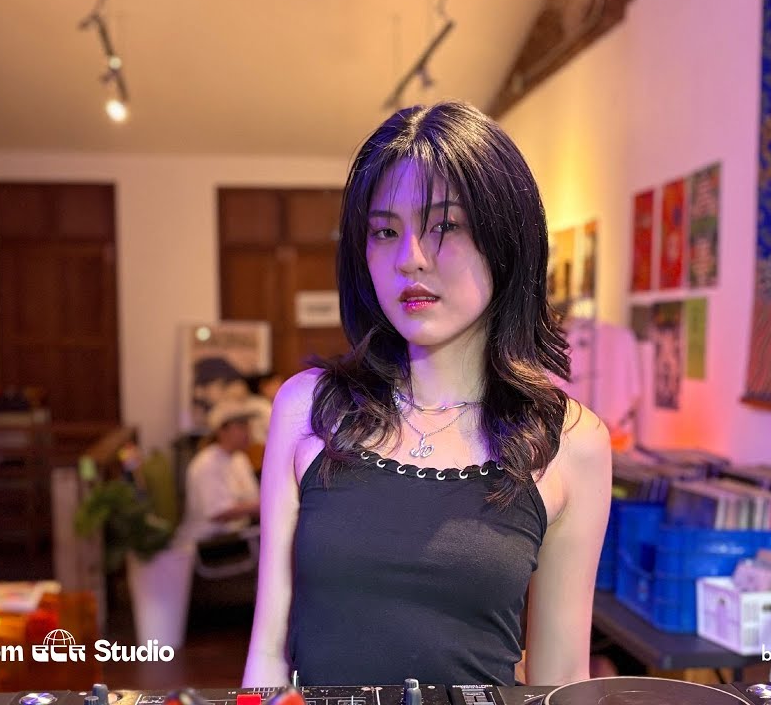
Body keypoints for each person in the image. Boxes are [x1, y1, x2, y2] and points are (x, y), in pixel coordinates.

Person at [242, 101, 612, 688]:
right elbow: (267, 654)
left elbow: (561, 680)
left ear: (506, 238)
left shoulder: (572, 441)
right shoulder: (307, 409)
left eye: (446, 226)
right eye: (385, 231)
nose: (410, 258)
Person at [176, 400, 262, 547]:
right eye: (241, 426)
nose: (248, 432)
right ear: (222, 431)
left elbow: (253, 498)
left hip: (236, 537)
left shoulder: (240, 459)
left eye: (248, 426)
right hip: (210, 544)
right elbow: (218, 512)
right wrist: (261, 506)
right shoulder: (206, 463)